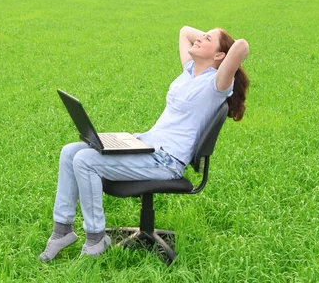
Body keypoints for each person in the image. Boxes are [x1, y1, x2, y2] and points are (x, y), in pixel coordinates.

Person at [39, 26, 250, 262]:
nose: (199, 38)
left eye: (207, 38)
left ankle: (96, 238)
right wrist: (208, 42)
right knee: (70, 152)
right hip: (145, 144)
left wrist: (220, 45)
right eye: (202, 36)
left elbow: (241, 46)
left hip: (166, 160)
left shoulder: (218, 84)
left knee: (86, 161)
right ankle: (63, 231)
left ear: (220, 55)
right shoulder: (190, 70)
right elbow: (183, 31)